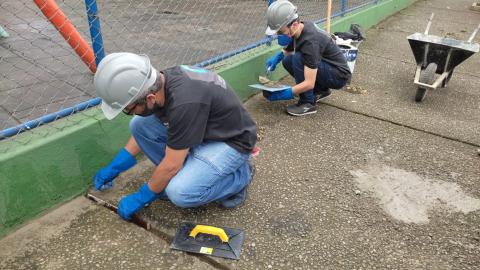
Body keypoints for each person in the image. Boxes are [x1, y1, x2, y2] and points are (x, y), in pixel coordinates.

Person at [92, 52, 257, 220]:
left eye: (128, 109)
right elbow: (144, 133)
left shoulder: (184, 102)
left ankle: (241, 176)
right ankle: (179, 176)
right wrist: (116, 166)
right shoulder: (160, 84)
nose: (129, 112)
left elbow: (171, 165)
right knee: (139, 124)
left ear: (149, 98)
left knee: (180, 193)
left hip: (232, 141)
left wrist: (141, 197)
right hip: (204, 130)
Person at [263, 0, 352, 116]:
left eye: (280, 31)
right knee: (288, 60)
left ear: (294, 25)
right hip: (329, 67)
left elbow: (309, 83)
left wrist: (286, 93)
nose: (278, 34)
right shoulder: (301, 28)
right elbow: (291, 47)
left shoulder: (310, 43)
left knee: (297, 58)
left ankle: (307, 103)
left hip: (338, 75)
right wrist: (278, 57)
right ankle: (321, 90)